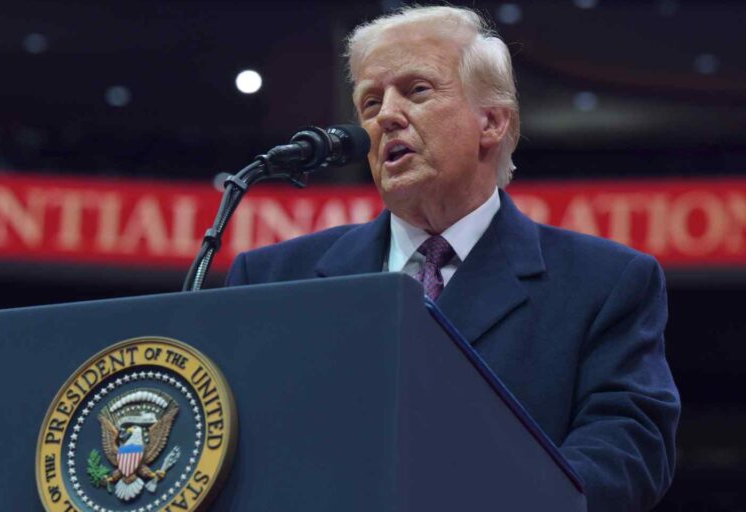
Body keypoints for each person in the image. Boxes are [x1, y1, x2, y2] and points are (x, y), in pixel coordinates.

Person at [225, 5, 679, 512]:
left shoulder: (606, 283)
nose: (386, 116)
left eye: (417, 90)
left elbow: (628, 447)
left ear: (491, 121)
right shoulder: (270, 279)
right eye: (370, 102)